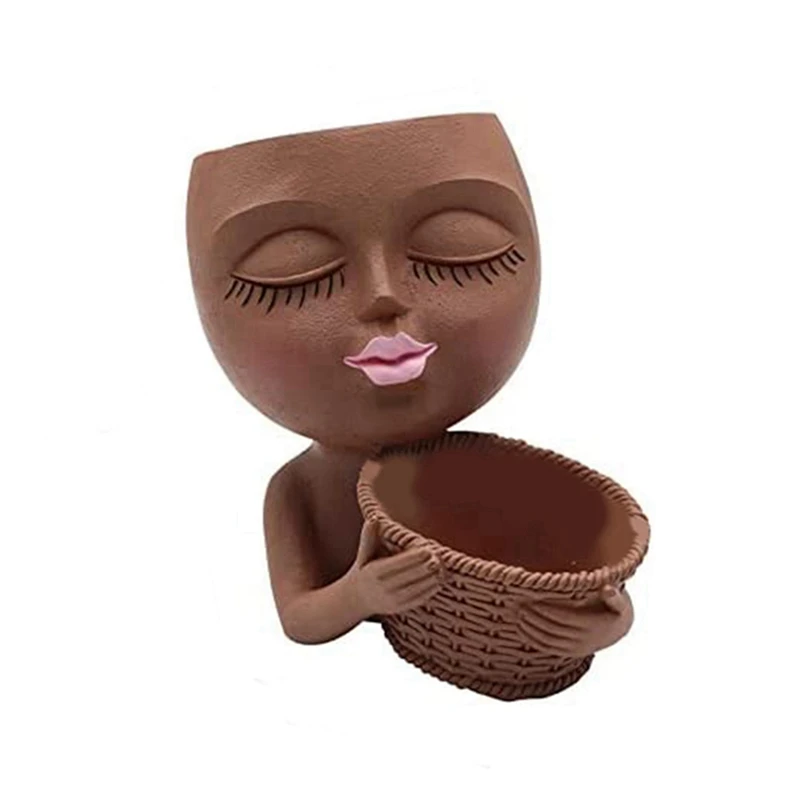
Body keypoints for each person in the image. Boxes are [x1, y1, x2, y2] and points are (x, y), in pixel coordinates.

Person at [186, 113, 633, 654]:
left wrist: (610, 621)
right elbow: (299, 619)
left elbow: (565, 562)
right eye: (295, 273)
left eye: (459, 250)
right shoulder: (295, 490)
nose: (384, 296)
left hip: (473, 652)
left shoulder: (476, 468)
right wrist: (357, 594)